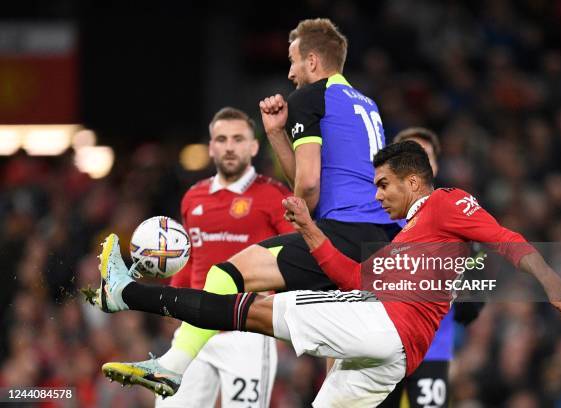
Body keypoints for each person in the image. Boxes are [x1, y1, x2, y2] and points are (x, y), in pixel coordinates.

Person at [89, 141, 561, 407]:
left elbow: (504, 237)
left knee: (248, 311)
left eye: (386, 185)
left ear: (414, 181)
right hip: (393, 354)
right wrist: (308, 230)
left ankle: (125, 293)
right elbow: (351, 277)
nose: (379, 195)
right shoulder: (406, 241)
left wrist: (550, 279)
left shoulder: (446, 203)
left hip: (387, 327)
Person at [101, 17, 397, 396]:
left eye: (292, 61)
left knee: (224, 276)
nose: (289, 73)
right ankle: (167, 361)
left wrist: (304, 225)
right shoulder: (367, 104)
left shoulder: (309, 97)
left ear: (312, 61)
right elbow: (324, 175)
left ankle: (170, 364)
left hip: (341, 234)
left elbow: (307, 183)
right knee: (339, 380)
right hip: (377, 247)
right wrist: (276, 133)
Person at [104, 107, 294, 405]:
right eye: (221, 139)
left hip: (246, 330)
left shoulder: (275, 195)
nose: (229, 146)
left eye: (238, 139)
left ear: (254, 146)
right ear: (211, 147)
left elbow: (293, 254)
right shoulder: (194, 197)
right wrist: (175, 302)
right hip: (195, 325)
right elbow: (188, 257)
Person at [380, 127, 482, 407]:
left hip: (432, 350)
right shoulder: (375, 216)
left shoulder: (456, 214)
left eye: (425, 157)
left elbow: (473, 287)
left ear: (434, 166)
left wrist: (471, 288)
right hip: (380, 346)